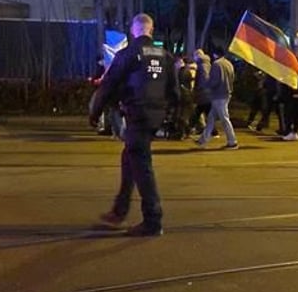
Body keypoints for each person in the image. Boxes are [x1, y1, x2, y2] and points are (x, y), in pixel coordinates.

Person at [90, 13, 179, 237]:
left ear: (133, 30)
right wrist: (172, 117)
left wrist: (95, 112)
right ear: (151, 29)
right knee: (130, 156)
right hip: (155, 116)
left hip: (137, 113)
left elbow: (109, 85)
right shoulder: (166, 56)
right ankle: (119, 210)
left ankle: (153, 219)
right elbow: (176, 92)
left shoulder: (128, 54)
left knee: (141, 163)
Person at [196, 50, 238, 149]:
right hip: (226, 94)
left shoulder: (216, 64)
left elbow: (214, 81)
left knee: (224, 119)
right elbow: (232, 78)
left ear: (215, 54)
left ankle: (232, 141)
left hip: (218, 95)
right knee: (211, 118)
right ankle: (203, 140)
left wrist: (206, 85)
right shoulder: (229, 64)